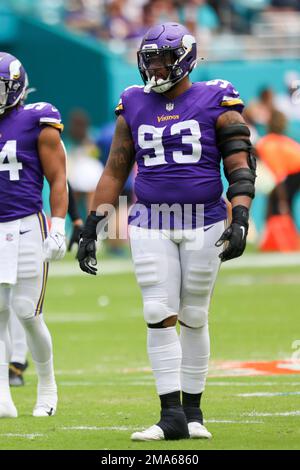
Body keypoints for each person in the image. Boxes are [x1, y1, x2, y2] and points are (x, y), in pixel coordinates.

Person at [77, 22, 256, 441]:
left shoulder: (216, 97)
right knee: (159, 312)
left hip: (205, 219)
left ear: (184, 59)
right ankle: (170, 413)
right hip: (151, 220)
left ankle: (193, 413)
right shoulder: (134, 103)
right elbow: (115, 168)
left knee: (194, 315)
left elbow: (239, 164)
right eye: (149, 59)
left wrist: (241, 217)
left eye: (162, 59)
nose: (154, 68)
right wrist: (92, 225)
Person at [0, 52, 67, 417]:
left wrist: (58, 225)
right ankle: (2, 397)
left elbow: (58, 176)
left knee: (27, 311)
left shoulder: (35, 118)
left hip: (26, 223)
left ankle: (47, 383)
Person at [8, 182, 82, 387]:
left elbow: (59, 176)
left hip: (25, 225)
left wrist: (75, 219)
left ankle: (17, 361)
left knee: (23, 301)